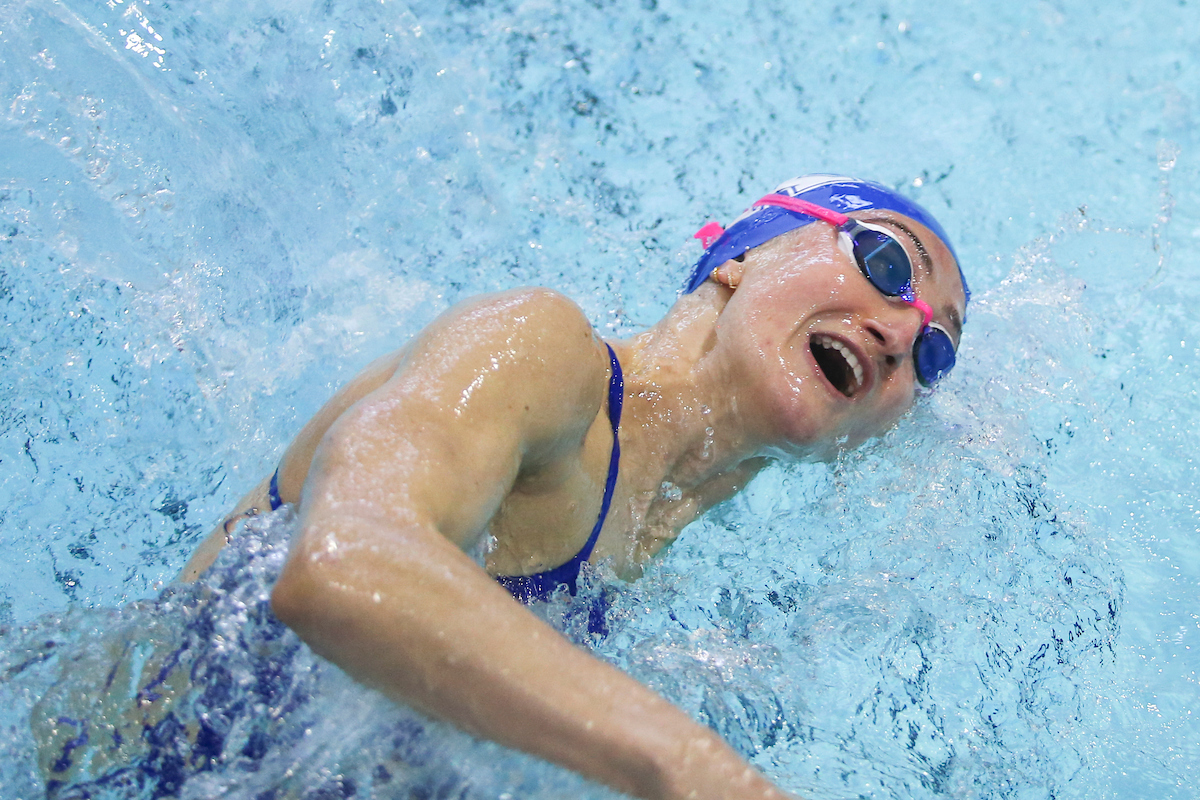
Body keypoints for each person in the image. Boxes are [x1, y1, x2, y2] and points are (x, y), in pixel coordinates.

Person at [179, 174, 969, 800]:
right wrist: (693, 771)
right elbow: (339, 566)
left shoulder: (642, 565)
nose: (902, 332)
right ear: (743, 255)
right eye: (886, 265)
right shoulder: (538, 352)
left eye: (935, 352)